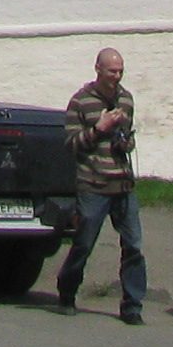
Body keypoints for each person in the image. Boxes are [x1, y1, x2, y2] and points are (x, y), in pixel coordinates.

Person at [57, 46, 147, 324]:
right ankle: (67, 290)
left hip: (123, 185)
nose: (116, 77)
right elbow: (72, 144)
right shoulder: (80, 101)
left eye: (120, 71)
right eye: (112, 71)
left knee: (133, 245)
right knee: (84, 244)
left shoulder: (126, 99)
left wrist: (125, 142)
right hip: (93, 185)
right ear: (98, 69)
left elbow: (126, 139)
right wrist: (99, 129)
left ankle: (132, 306)